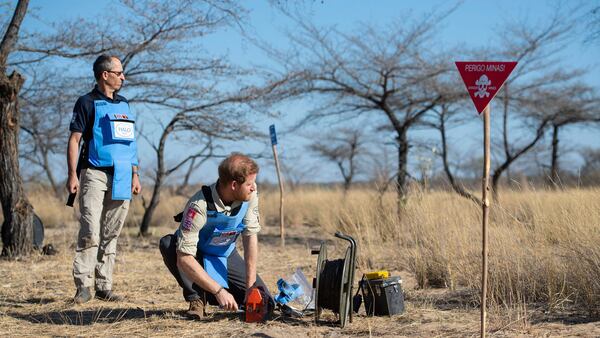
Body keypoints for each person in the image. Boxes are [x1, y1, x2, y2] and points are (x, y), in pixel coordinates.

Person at [159, 153, 272, 319]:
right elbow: (184, 258)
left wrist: (250, 287)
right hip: (196, 255)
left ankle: (215, 292)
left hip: (225, 253)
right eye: (249, 183)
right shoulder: (198, 206)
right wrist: (218, 291)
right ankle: (197, 298)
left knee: (266, 304)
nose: (254, 187)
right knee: (169, 244)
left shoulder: (250, 196)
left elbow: (250, 239)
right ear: (234, 185)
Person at [66, 54, 141, 304]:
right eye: (119, 73)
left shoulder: (124, 104)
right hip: (94, 173)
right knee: (91, 229)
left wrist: (135, 174)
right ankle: (83, 286)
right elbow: (75, 140)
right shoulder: (86, 102)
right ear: (104, 75)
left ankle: (103, 285)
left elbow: (130, 144)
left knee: (111, 232)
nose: (123, 77)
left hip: (122, 175)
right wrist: (72, 174)